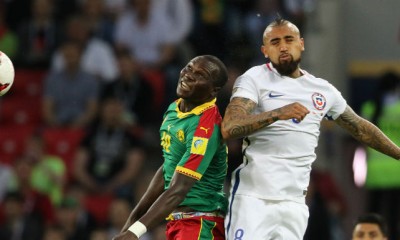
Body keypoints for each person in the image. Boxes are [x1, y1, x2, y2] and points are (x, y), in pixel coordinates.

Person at [221, 17, 400, 239]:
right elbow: (230, 127)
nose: (283, 46)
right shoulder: (254, 78)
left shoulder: (322, 90)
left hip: (295, 203)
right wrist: (277, 113)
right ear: (265, 50)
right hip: (253, 198)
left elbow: (360, 128)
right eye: (275, 42)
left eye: (289, 39)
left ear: (302, 44)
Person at [112, 55, 229, 240]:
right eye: (189, 68)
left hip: (200, 225)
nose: (188, 75)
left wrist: (135, 233)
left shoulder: (205, 127)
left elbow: (179, 189)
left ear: (213, 91)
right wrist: (129, 227)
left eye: (200, 75)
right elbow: (168, 168)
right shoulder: (174, 109)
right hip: (178, 223)